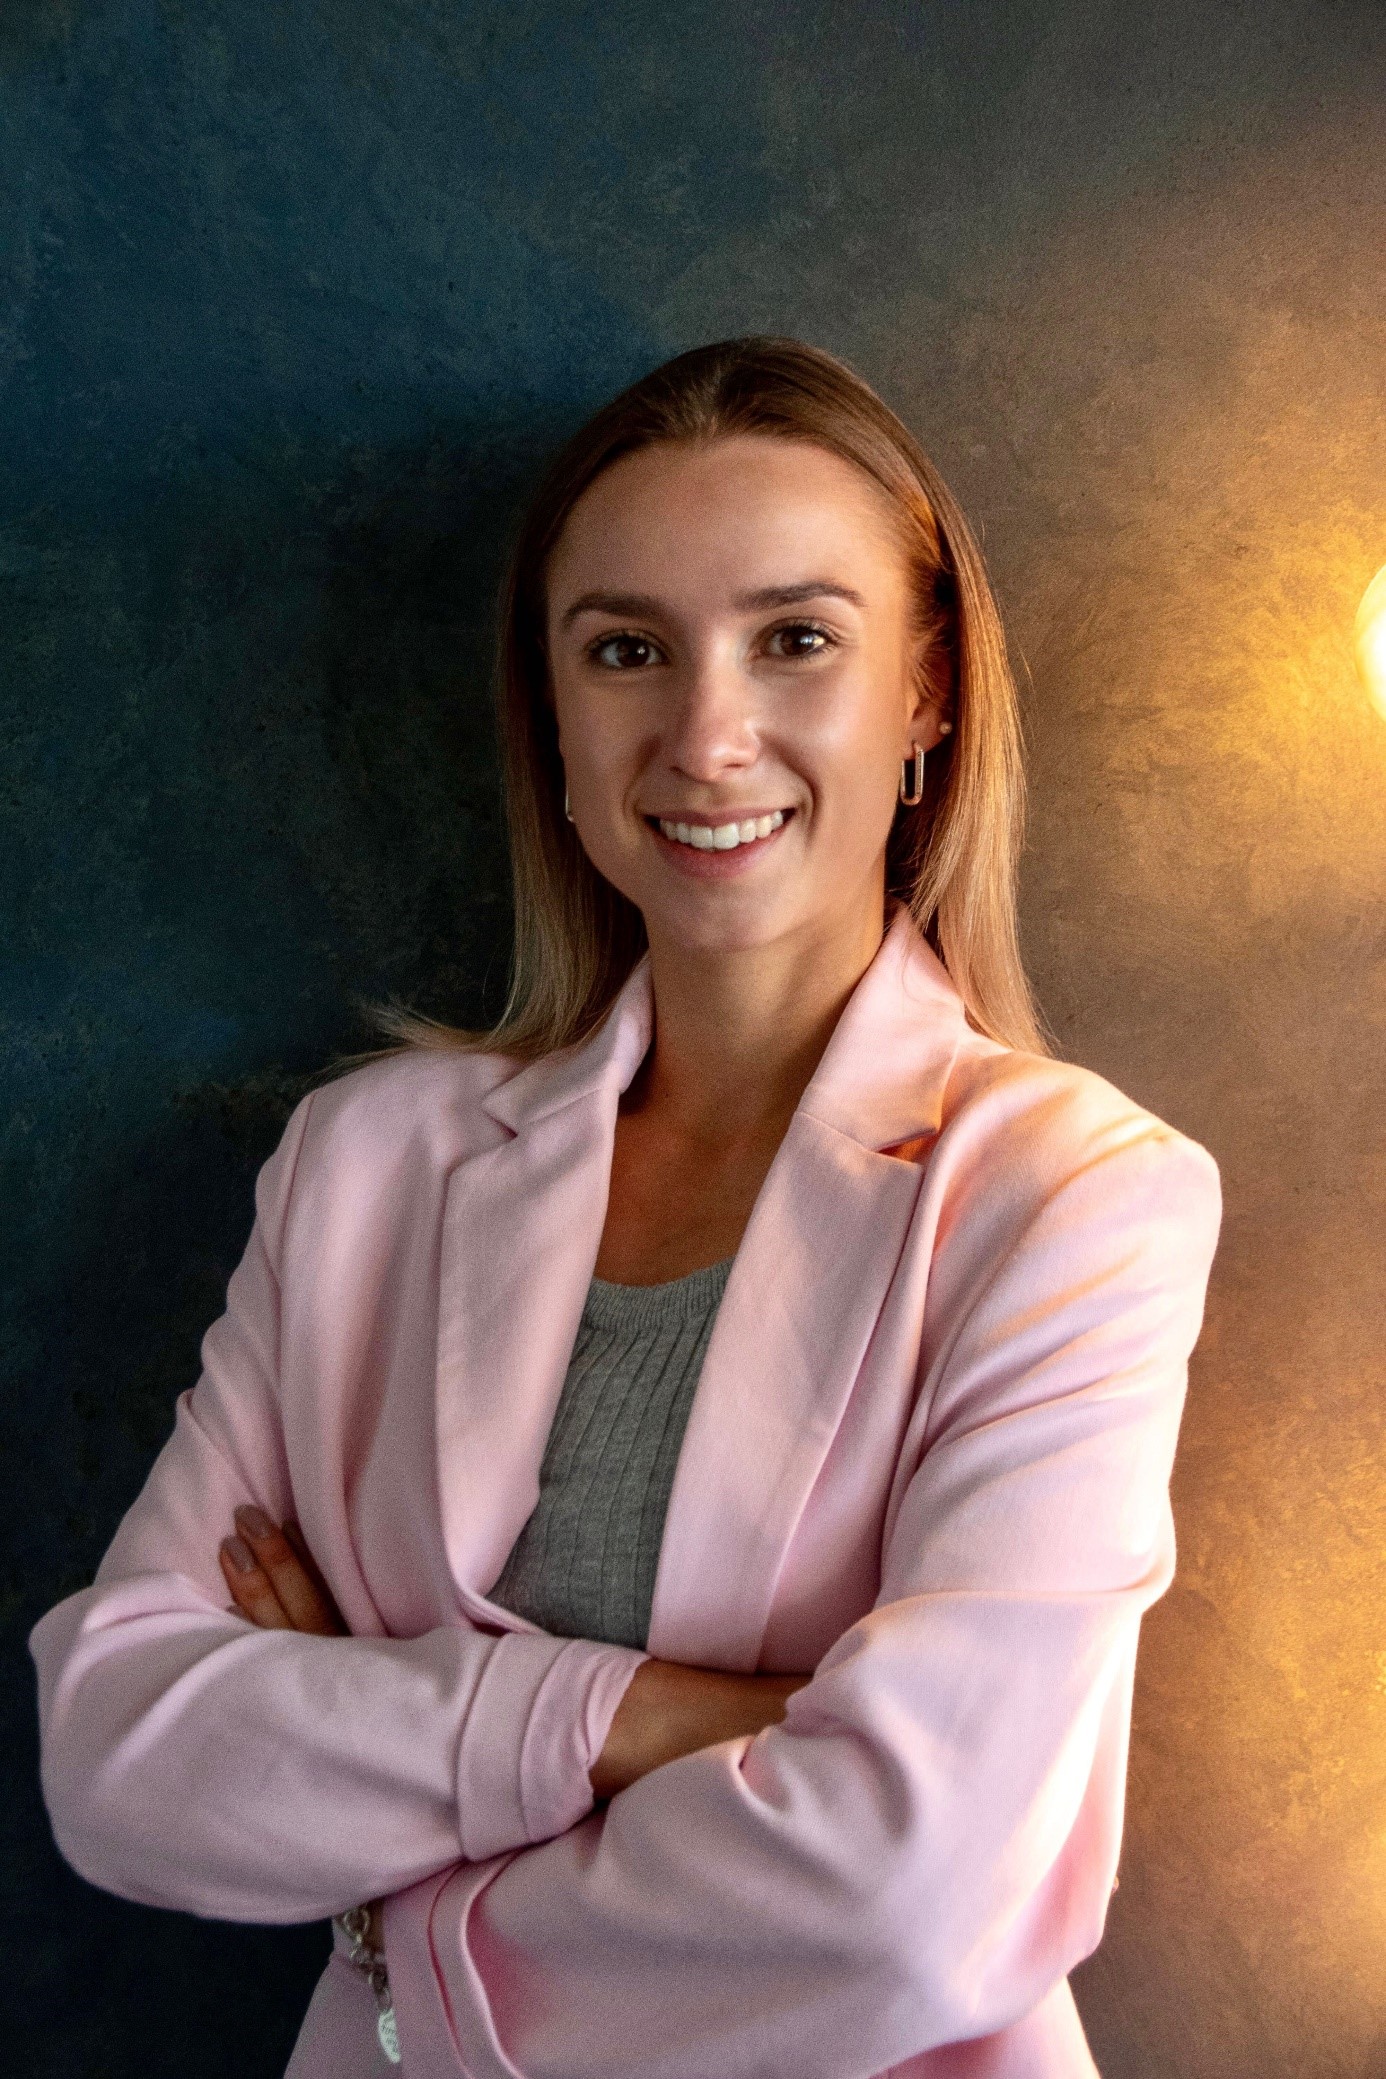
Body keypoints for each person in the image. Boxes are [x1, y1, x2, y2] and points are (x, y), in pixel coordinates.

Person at [30, 337, 1221, 2078]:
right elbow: (122, 1757)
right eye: (625, 650)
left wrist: (392, 1866)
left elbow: (911, 1895)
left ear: (926, 695)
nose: (706, 737)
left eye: (794, 639)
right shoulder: (364, 1165)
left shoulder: (1073, 1197)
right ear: (553, 713)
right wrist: (656, 1722)